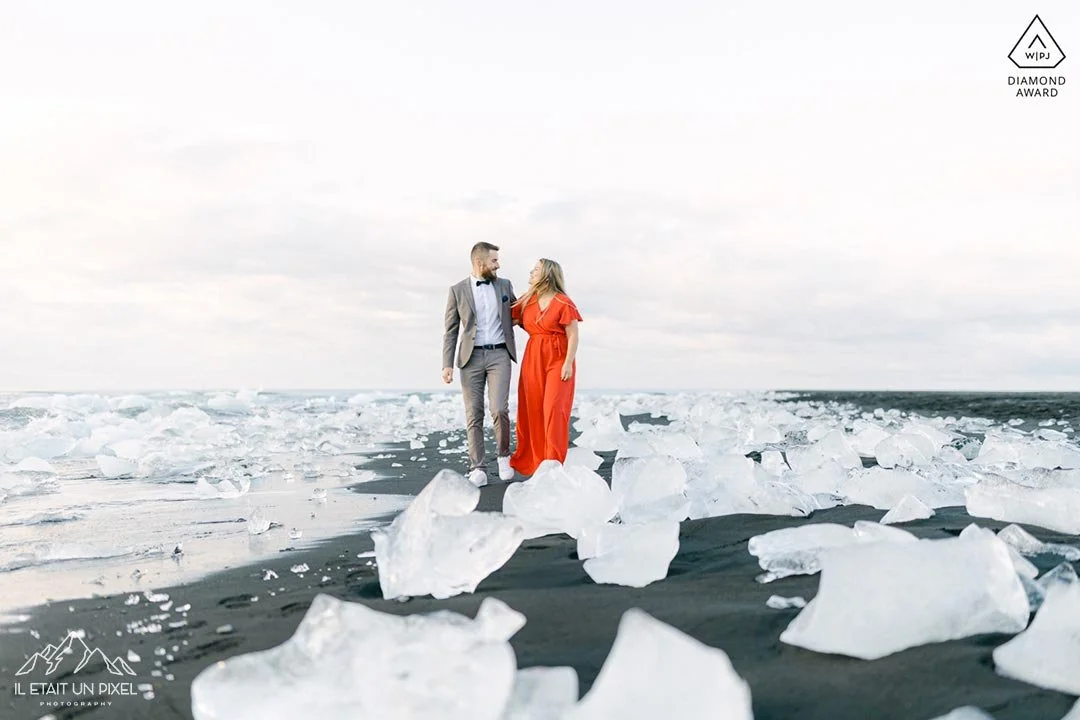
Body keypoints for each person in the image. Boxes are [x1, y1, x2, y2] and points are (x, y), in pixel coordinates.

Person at [442, 242, 518, 487]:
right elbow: (451, 330)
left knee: (499, 409)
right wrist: (447, 364)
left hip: (499, 355)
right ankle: (478, 468)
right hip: (470, 358)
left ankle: (504, 457)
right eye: (494, 261)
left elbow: (519, 313)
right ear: (480, 262)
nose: (499, 264)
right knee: (474, 413)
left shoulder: (505, 285)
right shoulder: (457, 290)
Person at [510, 258, 582, 477]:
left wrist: (568, 363)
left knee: (553, 410)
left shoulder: (563, 302)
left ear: (548, 274)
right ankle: (536, 462)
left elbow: (573, 335)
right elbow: (507, 320)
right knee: (532, 409)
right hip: (533, 358)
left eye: (536, 270)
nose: (531, 272)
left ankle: (553, 463)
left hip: (558, 359)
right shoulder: (526, 301)